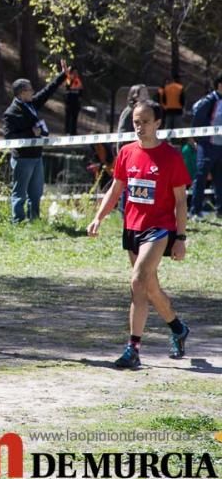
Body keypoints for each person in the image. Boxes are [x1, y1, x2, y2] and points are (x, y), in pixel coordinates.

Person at [87, 100, 191, 369]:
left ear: (157, 123)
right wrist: (99, 217)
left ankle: (133, 348)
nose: (139, 126)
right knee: (149, 287)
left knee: (137, 280)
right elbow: (116, 189)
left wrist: (180, 238)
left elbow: (181, 201)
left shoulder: (171, 157)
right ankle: (178, 328)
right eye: (136, 121)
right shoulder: (126, 153)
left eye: (145, 121)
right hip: (132, 227)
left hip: (159, 228)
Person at [2, 60, 69, 222]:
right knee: (20, 192)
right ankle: (18, 221)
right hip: (22, 158)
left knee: (36, 192)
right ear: (21, 93)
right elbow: (8, 137)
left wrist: (62, 76)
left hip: (36, 155)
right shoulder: (11, 113)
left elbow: (47, 92)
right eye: (30, 89)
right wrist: (30, 132)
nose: (33, 92)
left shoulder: (31, 104)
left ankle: (35, 220)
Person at [189, 72, 222, 219]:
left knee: (220, 179)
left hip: (220, 146)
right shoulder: (209, 100)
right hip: (207, 145)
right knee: (201, 177)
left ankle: (220, 210)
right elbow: (196, 116)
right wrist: (198, 139)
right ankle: (195, 210)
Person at [64, 67, 84, 135]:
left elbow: (81, 92)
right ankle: (67, 131)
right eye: (74, 73)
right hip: (69, 103)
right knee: (68, 118)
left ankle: (73, 132)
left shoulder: (78, 81)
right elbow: (67, 88)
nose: (75, 74)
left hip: (76, 103)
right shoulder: (69, 79)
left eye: (76, 73)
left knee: (74, 118)